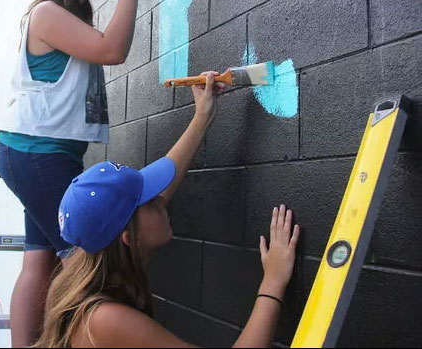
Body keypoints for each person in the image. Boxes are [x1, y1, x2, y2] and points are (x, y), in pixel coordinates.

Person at [36, 74, 301, 347]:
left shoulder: (85, 277)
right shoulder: (105, 320)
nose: (162, 200)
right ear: (128, 237)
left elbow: (154, 192)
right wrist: (273, 282)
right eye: (150, 201)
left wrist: (202, 117)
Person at [0, 0, 149, 347]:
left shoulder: (63, 21)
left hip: (38, 155)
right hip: (37, 154)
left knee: (40, 261)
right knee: (84, 260)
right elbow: (112, 49)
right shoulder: (46, 13)